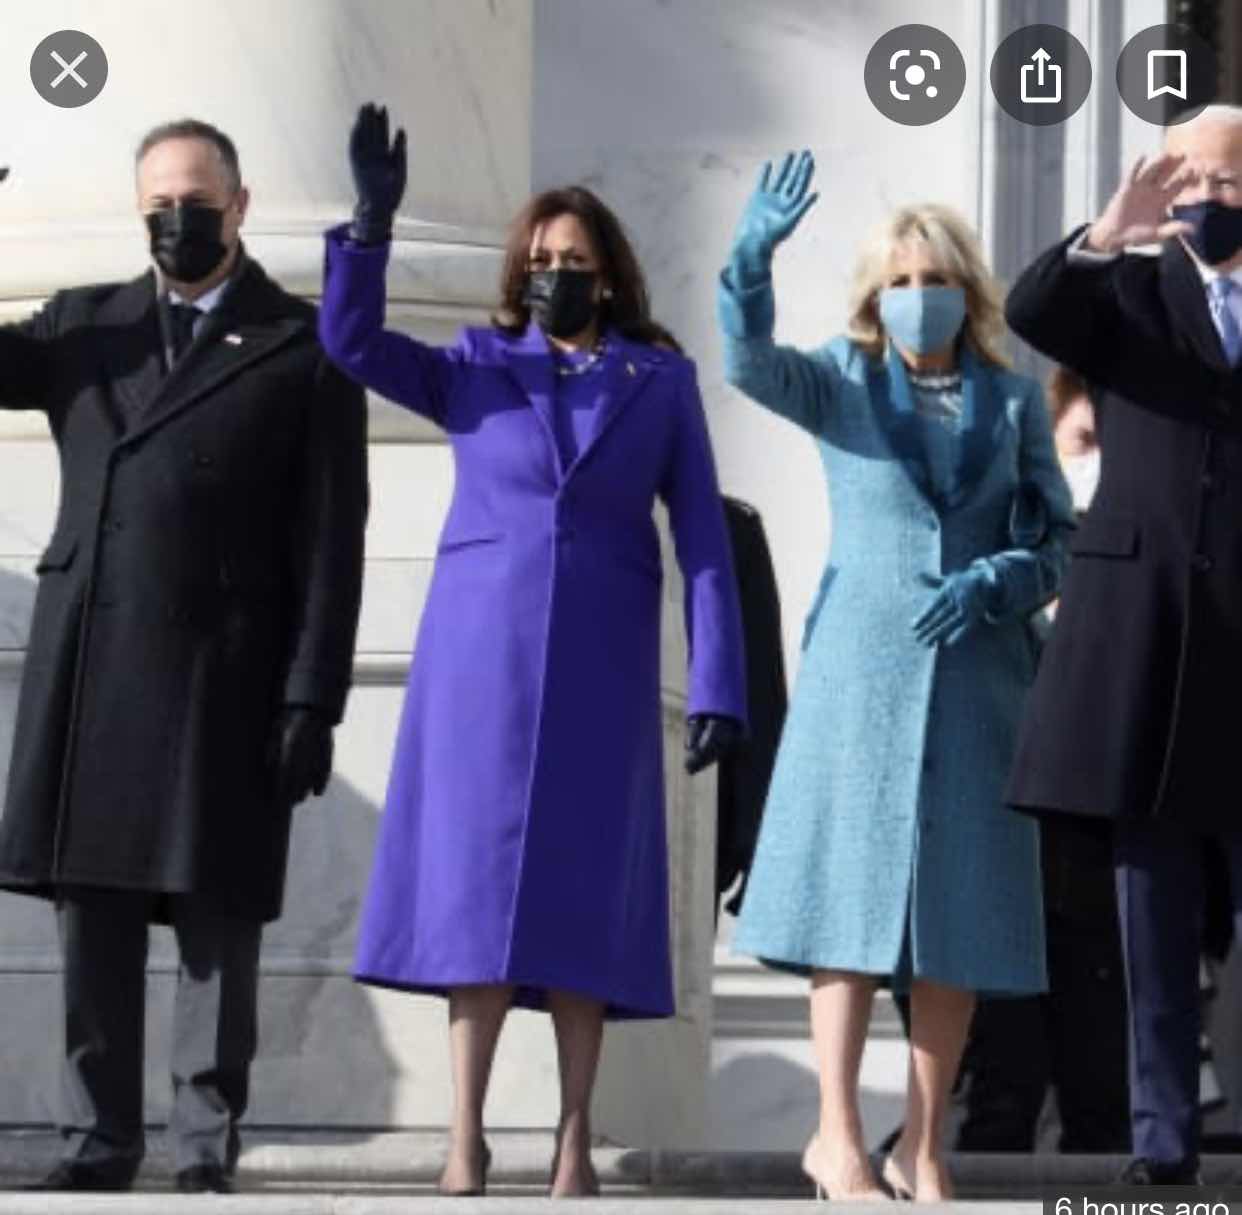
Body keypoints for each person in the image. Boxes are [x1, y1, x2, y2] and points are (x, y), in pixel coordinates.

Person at [318, 104, 746, 1198]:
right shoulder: (474, 363)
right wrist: (368, 228)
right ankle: (463, 1136)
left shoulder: (658, 383)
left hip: (602, 665)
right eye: (542, 261)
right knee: (474, 898)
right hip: (480, 666)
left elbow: (703, 536)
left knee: (583, 899)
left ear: (609, 276)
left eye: (575, 261)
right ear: (521, 273)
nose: (557, 274)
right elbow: (351, 343)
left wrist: (718, 683)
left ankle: (572, 1137)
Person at [0, 120, 368, 1194]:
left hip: (228, 674)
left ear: (240, 206)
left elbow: (331, 541)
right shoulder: (86, 325)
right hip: (97, 664)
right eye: (159, 202)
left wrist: (313, 698)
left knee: (218, 917)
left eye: (197, 201)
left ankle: (204, 1145)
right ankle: (98, 1138)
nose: (177, 219)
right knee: (94, 915)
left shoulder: (301, 344)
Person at [720, 151, 1074, 1201]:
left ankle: (921, 1144)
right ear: (877, 296)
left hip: (976, 679)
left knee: (955, 915)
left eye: (938, 278)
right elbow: (747, 363)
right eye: (902, 281)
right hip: (861, 677)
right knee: (847, 903)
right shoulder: (839, 379)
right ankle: (834, 1136)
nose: (921, 296)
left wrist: (1001, 580)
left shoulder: (1014, 402)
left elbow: (1058, 538)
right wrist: (749, 262)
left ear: (969, 291)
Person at [1005, 103, 1242, 1185]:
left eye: (1227, 181)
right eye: (1189, 179)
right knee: (1152, 899)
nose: (1207, 198)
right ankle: (1163, 1139)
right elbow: (1033, 310)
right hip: (1151, 637)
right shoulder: (1129, 293)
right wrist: (1108, 232)